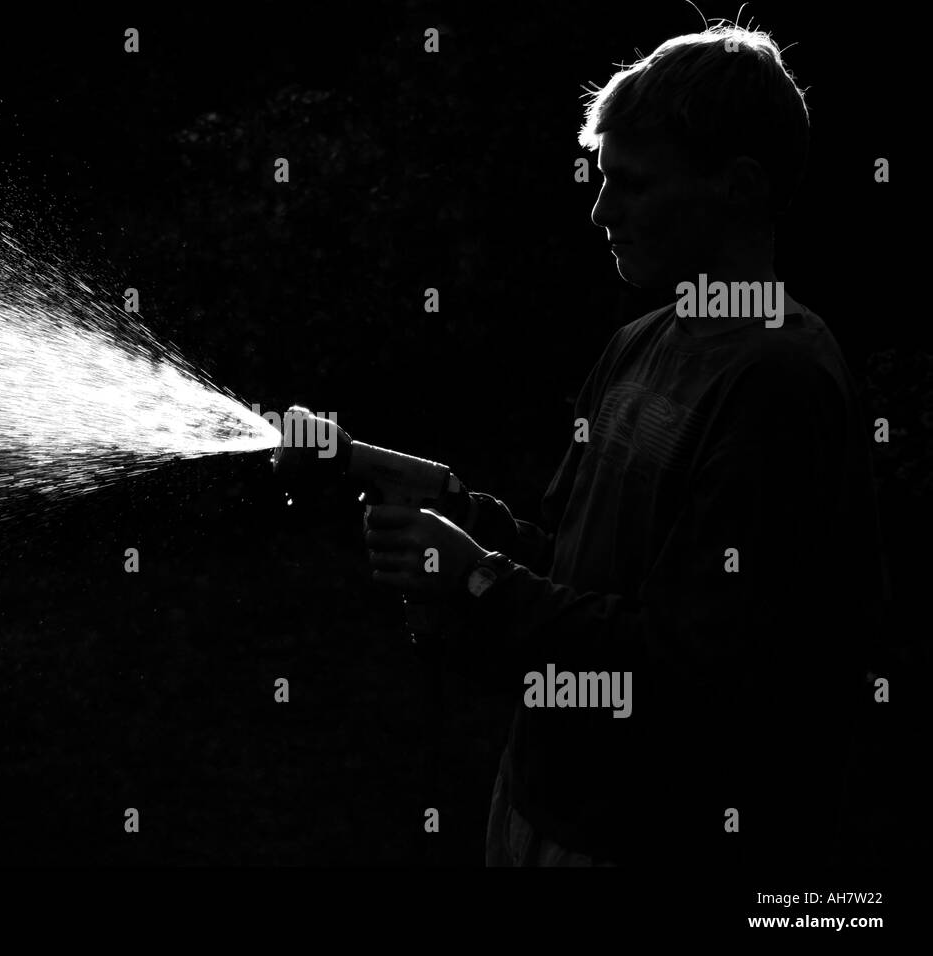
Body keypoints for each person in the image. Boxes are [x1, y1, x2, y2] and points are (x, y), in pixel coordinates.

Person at [364, 23, 885, 867]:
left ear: (739, 189)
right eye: (604, 182)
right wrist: (453, 512)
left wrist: (473, 576)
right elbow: (570, 571)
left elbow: (686, 675)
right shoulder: (640, 343)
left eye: (634, 185)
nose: (601, 211)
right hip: (538, 808)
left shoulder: (780, 383)